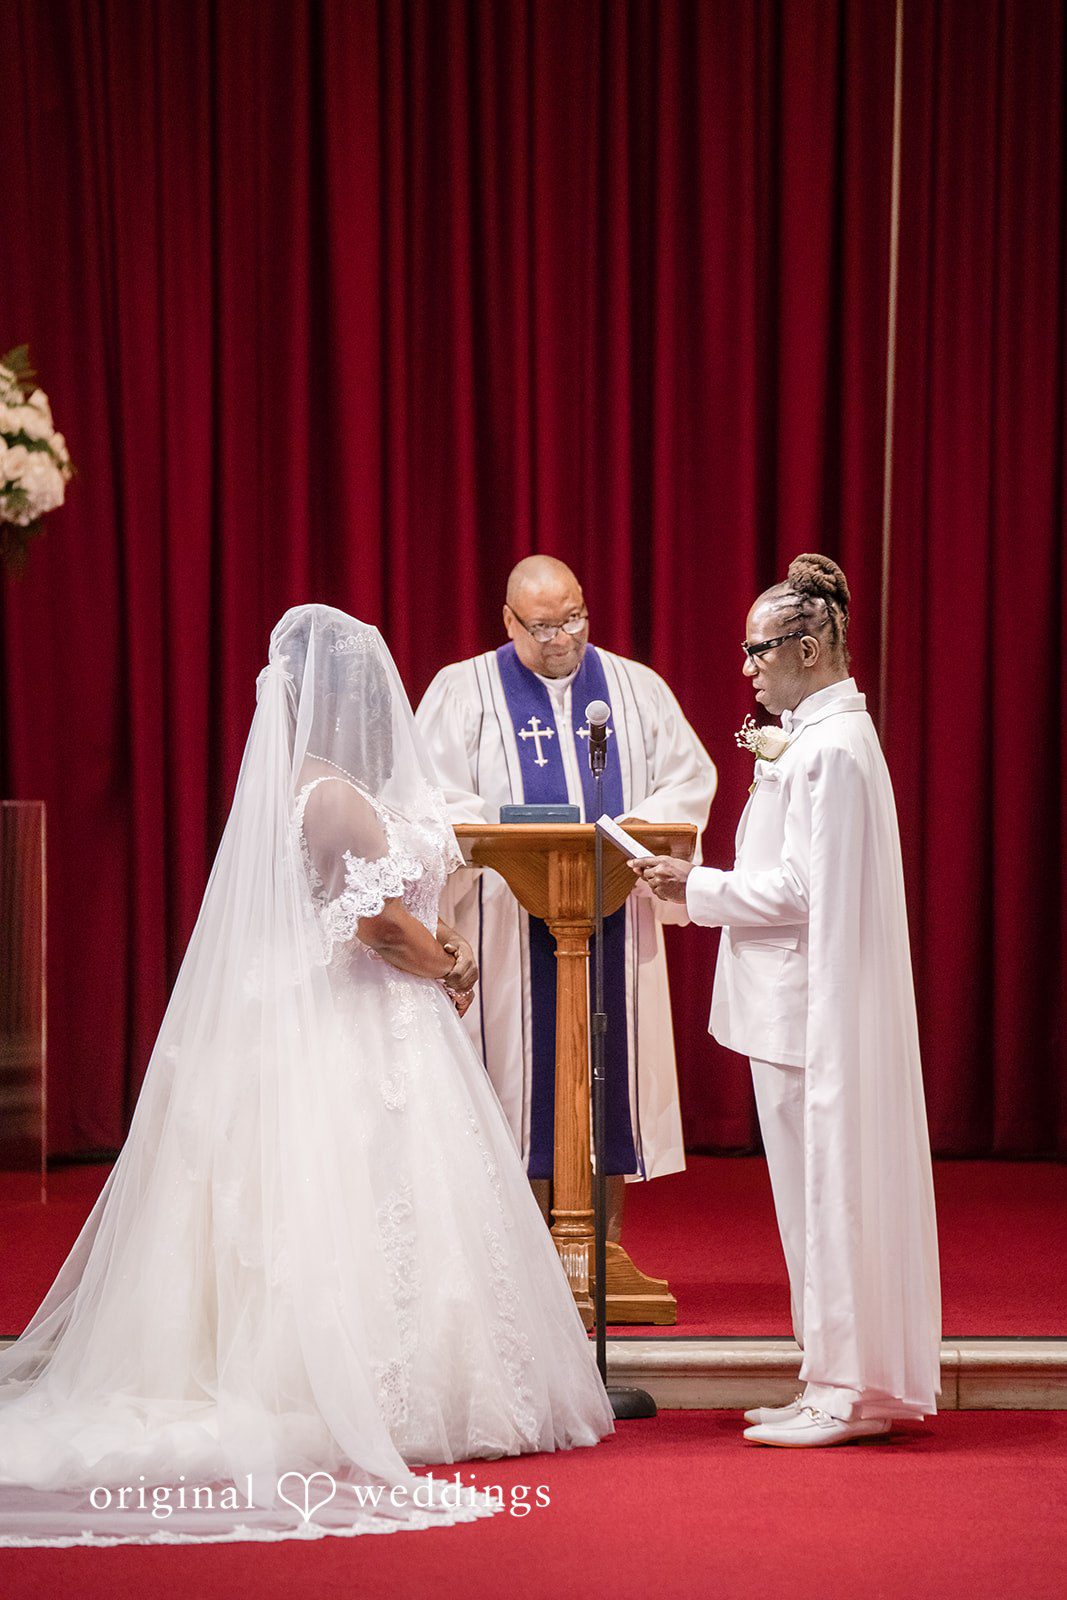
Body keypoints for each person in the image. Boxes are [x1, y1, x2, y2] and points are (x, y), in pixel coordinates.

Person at [0, 604, 613, 1547]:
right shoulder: (326, 796)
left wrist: (440, 942)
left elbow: (388, 908)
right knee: (361, 1205)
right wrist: (448, 962)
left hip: (387, 1019)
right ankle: (372, 1394)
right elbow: (373, 927)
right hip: (355, 1032)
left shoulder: (336, 787)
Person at [630, 554, 941, 1447]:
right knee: (806, 1199)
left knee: (826, 1191)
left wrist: (696, 887)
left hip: (811, 1010)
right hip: (784, 1005)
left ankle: (844, 1391)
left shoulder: (832, 750)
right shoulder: (813, 739)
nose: (745, 667)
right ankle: (827, 1375)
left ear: (807, 647)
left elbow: (805, 891)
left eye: (757, 649)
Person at [415, 556, 716, 1234]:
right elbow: (429, 794)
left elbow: (688, 780)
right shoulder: (462, 691)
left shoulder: (636, 690)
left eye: (573, 619)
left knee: (610, 1082)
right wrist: (507, 834)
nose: (562, 640)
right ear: (509, 621)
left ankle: (601, 1249)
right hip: (505, 927)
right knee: (516, 1088)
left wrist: (626, 839)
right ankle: (519, 1254)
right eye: (544, 627)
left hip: (610, 912)